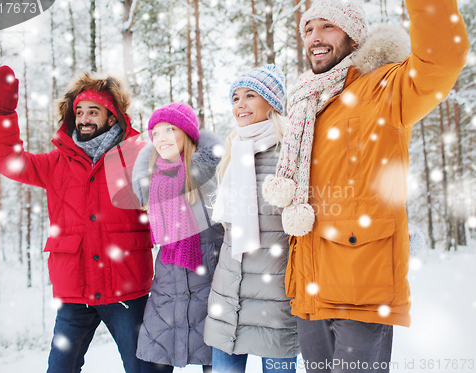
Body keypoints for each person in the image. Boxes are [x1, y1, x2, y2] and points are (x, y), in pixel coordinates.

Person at [262, 0, 469, 371]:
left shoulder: (385, 88)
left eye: (327, 26)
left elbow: (442, 60)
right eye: (308, 29)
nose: (315, 37)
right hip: (310, 289)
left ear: (353, 35)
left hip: (361, 286)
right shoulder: (307, 101)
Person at [0, 66, 153, 373]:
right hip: (75, 291)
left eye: (93, 111)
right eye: (79, 111)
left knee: (146, 368)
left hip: (126, 289)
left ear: (112, 116)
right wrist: (2, 115)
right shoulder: (57, 163)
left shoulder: (136, 157)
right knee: (60, 368)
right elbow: (10, 162)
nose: (84, 119)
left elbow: (173, 185)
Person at [204, 65, 299, 373]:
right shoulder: (233, 152)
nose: (240, 105)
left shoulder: (290, 155)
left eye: (250, 96)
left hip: (275, 300)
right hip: (229, 297)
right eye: (235, 97)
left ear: (272, 103)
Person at [132, 103, 224, 373]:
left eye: (170, 129)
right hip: (166, 297)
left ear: (187, 133)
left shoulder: (213, 179)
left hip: (209, 294)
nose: (162, 138)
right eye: (156, 132)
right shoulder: (152, 183)